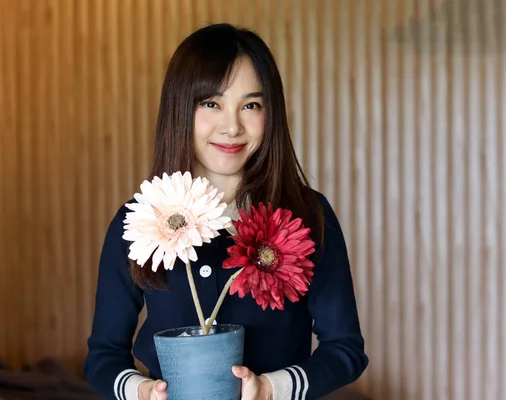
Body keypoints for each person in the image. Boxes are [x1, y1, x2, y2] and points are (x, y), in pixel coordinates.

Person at [83, 23, 368, 400]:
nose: (232, 127)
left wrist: (270, 389)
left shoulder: (306, 214)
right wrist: (142, 391)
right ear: (181, 108)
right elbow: (103, 356)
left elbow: (346, 349)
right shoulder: (139, 221)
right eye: (211, 104)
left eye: (251, 105)